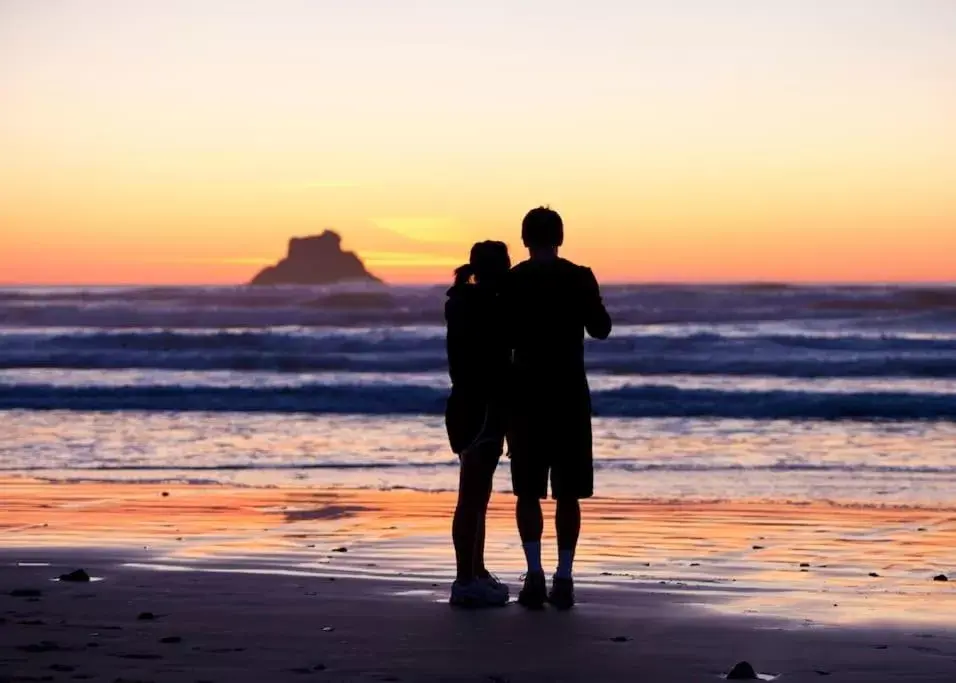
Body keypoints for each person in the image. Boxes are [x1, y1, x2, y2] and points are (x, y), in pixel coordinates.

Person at [504, 207, 612, 610]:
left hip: (526, 393)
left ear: (525, 239)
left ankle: (534, 576)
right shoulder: (579, 277)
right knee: (570, 492)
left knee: (527, 490)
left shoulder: (514, 281)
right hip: (568, 393)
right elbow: (601, 329)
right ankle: (563, 578)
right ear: (560, 237)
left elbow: (504, 338)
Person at [444, 240, 512, 607]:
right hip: (482, 407)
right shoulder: (489, 306)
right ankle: (465, 579)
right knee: (472, 496)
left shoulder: (460, 302)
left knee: (476, 494)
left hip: (462, 405)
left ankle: (476, 571)